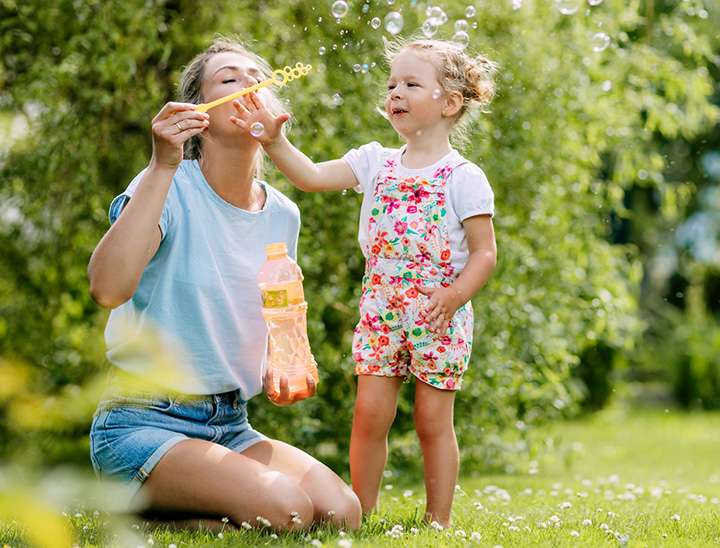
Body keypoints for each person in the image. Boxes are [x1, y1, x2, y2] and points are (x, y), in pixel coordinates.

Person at [87, 37, 361, 532]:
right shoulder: (165, 186)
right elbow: (107, 289)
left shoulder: (283, 212)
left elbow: (276, 308)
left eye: (259, 77)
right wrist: (161, 165)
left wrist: (285, 359)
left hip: (230, 424)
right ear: (200, 115)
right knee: (288, 511)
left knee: (341, 513)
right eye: (229, 79)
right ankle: (142, 505)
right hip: (143, 421)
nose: (249, 84)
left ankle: (187, 509)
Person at [233, 38, 498, 528]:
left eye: (411, 84)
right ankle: (361, 512)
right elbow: (310, 177)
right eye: (392, 83)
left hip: (438, 314)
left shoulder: (464, 177)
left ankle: (437, 521)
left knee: (431, 422)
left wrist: (457, 294)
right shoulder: (375, 161)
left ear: (450, 103)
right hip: (381, 310)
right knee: (369, 416)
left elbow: (485, 252)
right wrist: (274, 142)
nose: (395, 92)